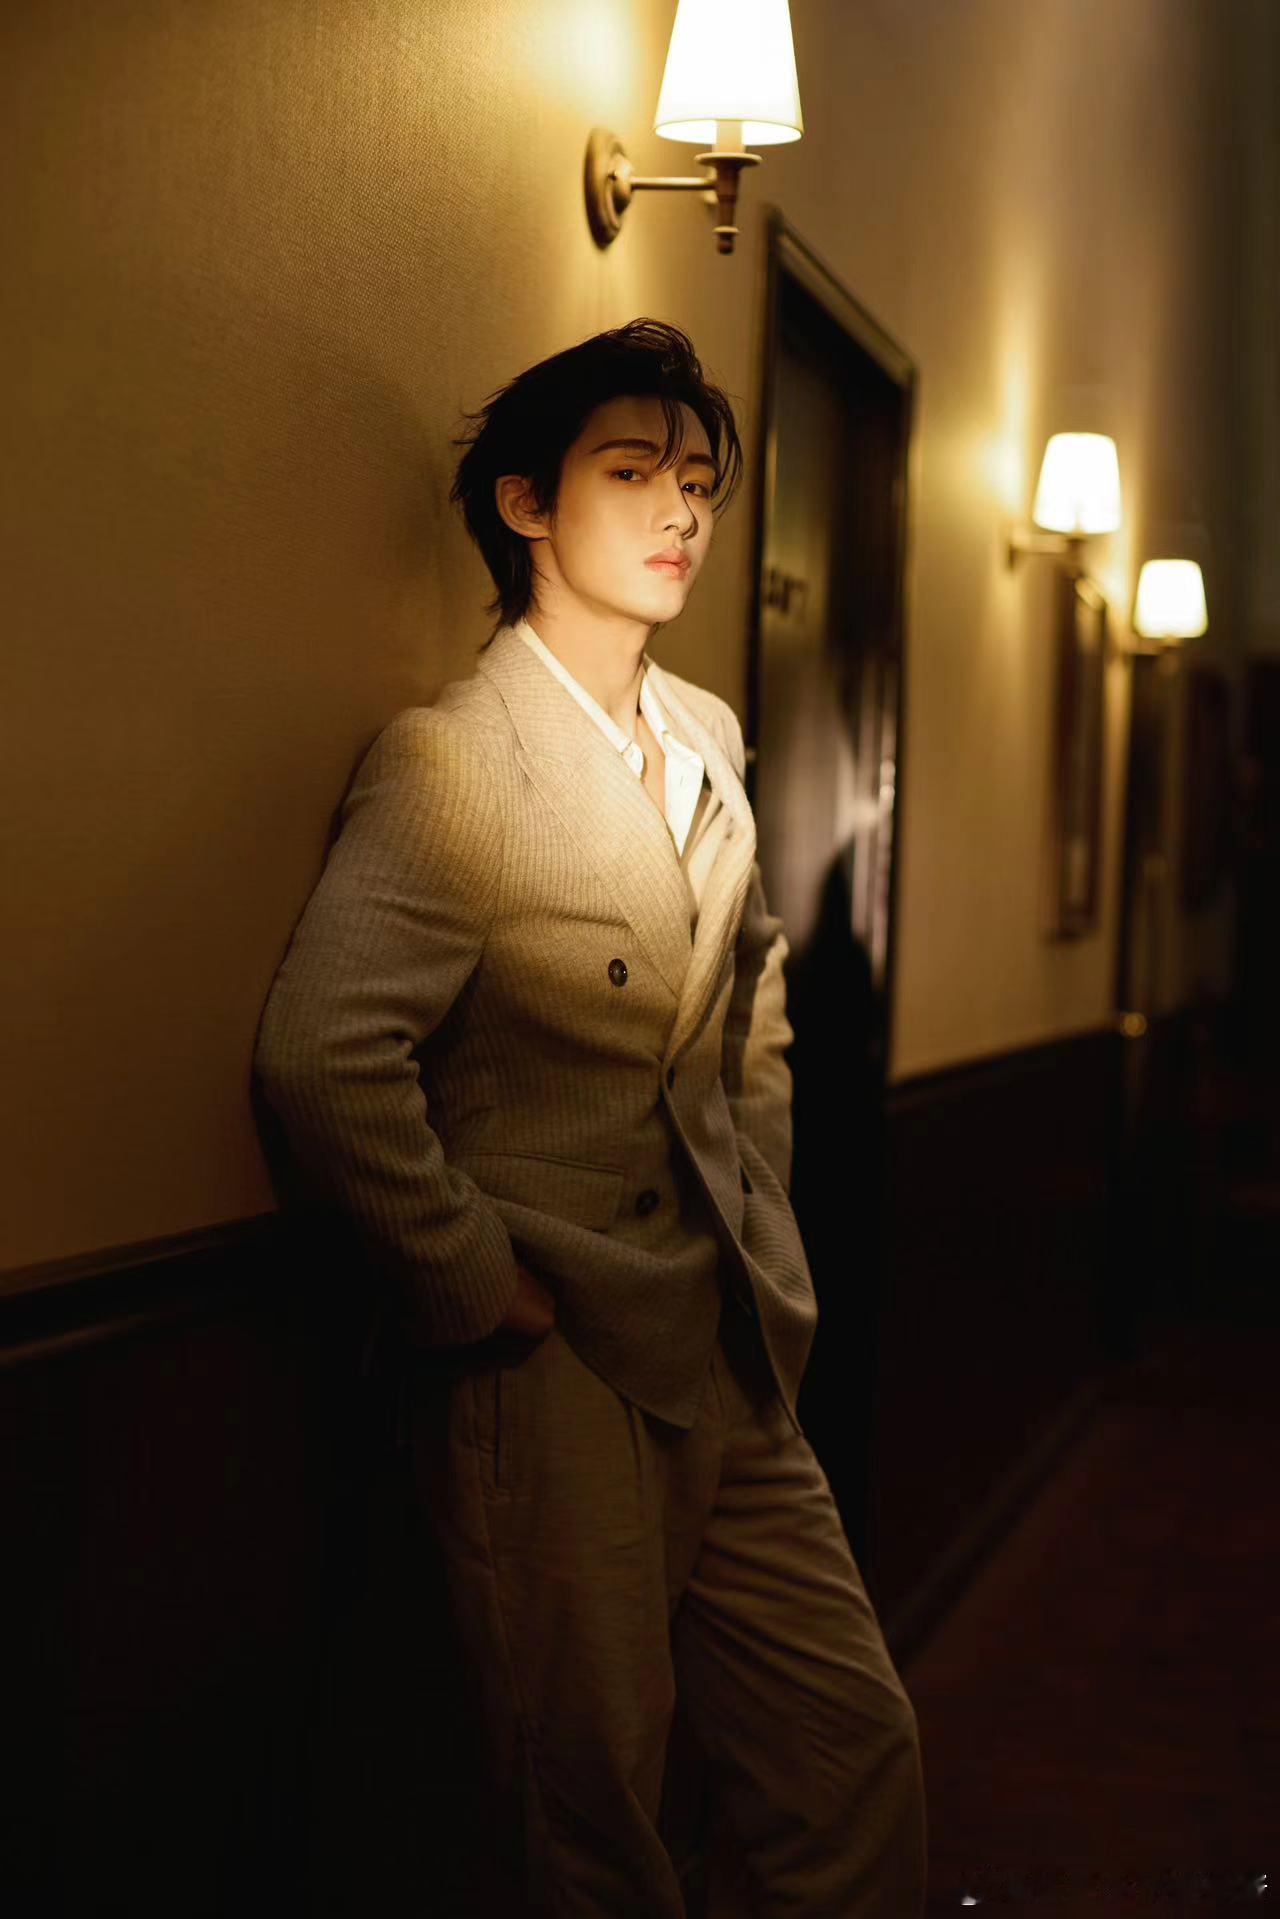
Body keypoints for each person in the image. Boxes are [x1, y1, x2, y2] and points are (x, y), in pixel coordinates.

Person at [252, 317, 926, 1916]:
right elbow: (324, 1055)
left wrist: (755, 1206)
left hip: (724, 1333)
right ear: (527, 505)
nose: (681, 508)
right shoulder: (455, 759)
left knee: (853, 1756)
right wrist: (474, 1276)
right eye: (633, 472)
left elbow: (752, 992)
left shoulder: (704, 734)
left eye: (697, 479)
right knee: (587, 1815)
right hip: (551, 1364)